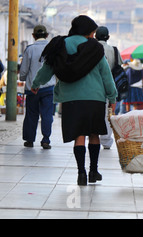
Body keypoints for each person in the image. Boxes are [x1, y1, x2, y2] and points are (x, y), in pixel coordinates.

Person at [31, 15, 117, 186]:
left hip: (71, 98)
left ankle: (81, 174)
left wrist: (36, 84)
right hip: (95, 98)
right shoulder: (95, 48)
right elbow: (106, 75)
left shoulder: (60, 44)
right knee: (94, 134)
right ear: (86, 31)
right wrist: (112, 96)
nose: (93, 36)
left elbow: (47, 68)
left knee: (79, 135)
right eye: (92, 33)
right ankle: (93, 171)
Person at [19, 25, 56, 149]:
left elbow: (23, 70)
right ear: (46, 35)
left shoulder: (30, 49)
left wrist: (24, 79)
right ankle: (46, 140)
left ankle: (29, 140)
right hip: (49, 88)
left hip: (31, 88)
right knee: (47, 114)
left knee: (31, 114)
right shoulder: (52, 49)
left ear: (33, 36)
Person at [95, 26, 123, 149]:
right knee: (108, 113)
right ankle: (106, 141)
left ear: (95, 37)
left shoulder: (91, 49)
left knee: (94, 112)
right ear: (108, 37)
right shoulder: (114, 50)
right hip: (110, 86)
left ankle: (93, 136)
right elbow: (119, 66)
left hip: (94, 86)